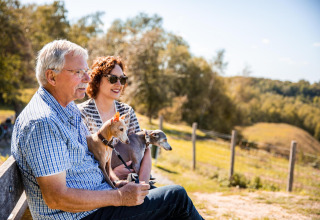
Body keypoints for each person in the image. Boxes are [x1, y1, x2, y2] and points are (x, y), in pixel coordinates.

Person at [11, 39, 203, 220]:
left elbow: (92, 153)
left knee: (167, 198)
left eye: (86, 71)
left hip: (98, 201)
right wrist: (119, 196)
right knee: (176, 199)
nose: (87, 78)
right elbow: (56, 198)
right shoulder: (43, 123)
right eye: (78, 72)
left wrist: (115, 183)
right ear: (51, 76)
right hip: (82, 215)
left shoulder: (66, 108)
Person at [78, 56, 151, 184]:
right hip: (99, 189)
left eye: (122, 79)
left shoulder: (127, 112)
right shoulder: (82, 114)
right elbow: (80, 162)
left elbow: (144, 149)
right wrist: (113, 174)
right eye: (112, 79)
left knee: (176, 195)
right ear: (97, 80)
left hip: (133, 186)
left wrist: (142, 188)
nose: (119, 84)